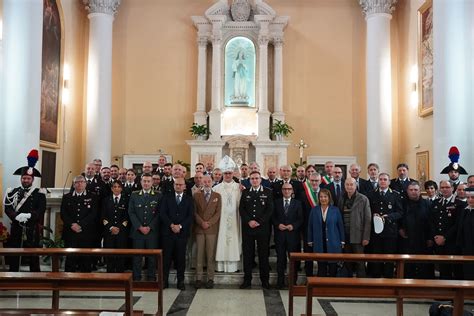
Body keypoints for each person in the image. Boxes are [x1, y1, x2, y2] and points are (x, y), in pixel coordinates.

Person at [4, 149, 46, 272]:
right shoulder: (12, 192)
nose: (26, 180)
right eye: (24, 178)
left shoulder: (39, 193)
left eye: (28, 178)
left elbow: (41, 209)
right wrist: (16, 216)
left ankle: (35, 276)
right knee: (14, 252)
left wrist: (29, 216)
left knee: (33, 253)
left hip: (32, 227)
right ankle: (13, 274)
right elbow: (7, 207)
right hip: (17, 226)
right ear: (21, 178)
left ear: (32, 180)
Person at [239, 171, 274, 289]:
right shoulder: (245, 192)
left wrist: (259, 221)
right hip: (248, 228)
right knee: (247, 255)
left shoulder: (268, 192)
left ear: (260, 180)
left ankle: (265, 281)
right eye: (252, 178)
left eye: (257, 178)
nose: (254, 180)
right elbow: (241, 209)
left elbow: (270, 210)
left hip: (262, 229)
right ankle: (247, 280)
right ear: (249, 180)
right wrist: (249, 221)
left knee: (263, 255)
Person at [160, 177, 194, 290]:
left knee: (181, 259)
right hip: (167, 233)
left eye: (180, 184)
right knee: (166, 259)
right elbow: (163, 214)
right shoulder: (166, 198)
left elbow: (190, 216)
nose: (178, 186)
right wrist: (171, 225)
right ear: (174, 186)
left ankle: (180, 281)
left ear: (184, 186)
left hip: (182, 234)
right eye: (176, 184)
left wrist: (180, 226)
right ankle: (164, 281)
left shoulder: (189, 199)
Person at [367, 173, 403, 278]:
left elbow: (400, 212)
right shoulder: (371, 194)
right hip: (375, 231)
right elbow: (367, 211)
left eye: (385, 179)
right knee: (376, 255)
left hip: (390, 231)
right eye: (381, 179)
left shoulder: (395, 195)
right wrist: (373, 215)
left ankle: (388, 277)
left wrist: (389, 216)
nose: (382, 181)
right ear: (378, 181)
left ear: (389, 182)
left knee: (389, 256)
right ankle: (376, 277)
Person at [61, 175, 98, 272]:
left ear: (86, 184)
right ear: (73, 184)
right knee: (70, 258)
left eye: (82, 181)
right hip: (70, 232)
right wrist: (72, 225)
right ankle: (68, 281)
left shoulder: (92, 196)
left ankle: (85, 281)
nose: (80, 184)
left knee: (85, 258)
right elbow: (63, 214)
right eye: (77, 182)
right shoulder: (67, 197)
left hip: (86, 232)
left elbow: (93, 213)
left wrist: (80, 224)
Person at [128, 173, 162, 281]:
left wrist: (150, 227)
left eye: (148, 181)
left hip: (152, 232)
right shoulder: (134, 194)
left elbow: (159, 213)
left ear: (152, 182)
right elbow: (131, 212)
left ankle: (151, 277)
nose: (146, 183)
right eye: (144, 181)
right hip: (137, 231)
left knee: (151, 257)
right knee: (137, 257)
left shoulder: (158, 195)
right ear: (141, 182)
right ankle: (136, 277)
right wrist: (139, 226)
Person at [429, 180, 464, 279]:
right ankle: (445, 291)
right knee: (443, 269)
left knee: (457, 269)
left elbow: (457, 225)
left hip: (452, 242)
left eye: (447, 187)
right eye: (442, 187)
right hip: (438, 242)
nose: (444, 189)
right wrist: (435, 236)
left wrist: (445, 237)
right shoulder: (436, 203)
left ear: (453, 189)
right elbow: (431, 221)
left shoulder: (459, 204)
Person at [399, 181, 434, 279]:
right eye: (411, 190)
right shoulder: (402, 203)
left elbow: (431, 222)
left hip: (423, 239)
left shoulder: (427, 204)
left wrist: (430, 238)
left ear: (420, 191)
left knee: (423, 265)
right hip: (407, 239)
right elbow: (398, 218)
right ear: (407, 191)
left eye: (416, 190)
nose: (413, 192)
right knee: (408, 265)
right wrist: (400, 228)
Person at [337, 177, 371, 277]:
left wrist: (366, 237)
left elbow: (368, 220)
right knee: (347, 261)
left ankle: (361, 284)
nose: (349, 186)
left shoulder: (363, 199)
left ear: (356, 186)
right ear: (344, 186)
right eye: (347, 184)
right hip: (345, 235)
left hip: (358, 236)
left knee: (359, 262)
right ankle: (349, 283)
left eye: (351, 184)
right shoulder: (341, 198)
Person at [214, 156, 242, 273]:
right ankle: (220, 266)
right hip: (220, 220)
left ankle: (233, 267)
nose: (228, 175)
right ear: (222, 174)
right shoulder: (216, 188)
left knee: (234, 240)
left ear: (233, 173)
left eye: (230, 173)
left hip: (235, 219)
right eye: (225, 173)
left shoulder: (239, 188)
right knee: (220, 239)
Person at [307, 189, 344, 277]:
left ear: (329, 198)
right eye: (321, 197)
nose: (323, 199)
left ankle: (332, 288)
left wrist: (342, 241)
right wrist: (310, 240)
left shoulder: (335, 210)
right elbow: (310, 226)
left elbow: (340, 226)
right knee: (321, 269)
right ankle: (321, 289)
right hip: (319, 242)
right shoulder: (314, 210)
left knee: (333, 268)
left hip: (333, 242)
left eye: (325, 196)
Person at [193, 175, 222, 289]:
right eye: (204, 181)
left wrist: (209, 223)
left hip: (211, 229)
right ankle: (198, 278)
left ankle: (210, 278)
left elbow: (218, 213)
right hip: (200, 228)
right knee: (199, 254)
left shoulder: (217, 196)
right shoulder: (196, 195)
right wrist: (202, 223)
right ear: (202, 182)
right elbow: (194, 212)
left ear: (212, 182)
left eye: (209, 181)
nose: (206, 183)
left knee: (210, 254)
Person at [273, 183, 303, 288]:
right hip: (280, 235)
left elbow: (301, 219)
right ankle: (280, 282)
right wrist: (277, 225)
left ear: (292, 191)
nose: (286, 191)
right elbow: (273, 217)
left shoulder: (297, 203)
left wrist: (293, 226)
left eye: (289, 189)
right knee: (280, 260)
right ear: (282, 190)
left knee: (293, 261)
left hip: (293, 236)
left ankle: (293, 282)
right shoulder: (276, 203)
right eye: (284, 189)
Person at [101, 180, 129, 273]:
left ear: (121, 188)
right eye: (114, 187)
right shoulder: (105, 200)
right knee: (110, 255)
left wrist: (119, 228)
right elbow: (103, 216)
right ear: (111, 188)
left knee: (121, 255)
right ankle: (110, 277)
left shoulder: (126, 200)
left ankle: (120, 277)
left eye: (118, 187)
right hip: (109, 232)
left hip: (122, 232)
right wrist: (111, 227)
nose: (116, 188)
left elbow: (127, 216)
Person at [298, 172, 321, 277]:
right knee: (308, 255)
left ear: (320, 181)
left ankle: (322, 277)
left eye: (316, 181)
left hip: (322, 229)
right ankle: (309, 277)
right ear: (309, 181)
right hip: (308, 229)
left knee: (322, 255)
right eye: (312, 181)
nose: (314, 183)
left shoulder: (325, 193)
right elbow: (301, 213)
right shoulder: (303, 194)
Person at [456, 187, 474, 279]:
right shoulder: (465, 210)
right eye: (468, 197)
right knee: (468, 271)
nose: (470, 200)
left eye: (473, 197)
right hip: (466, 247)